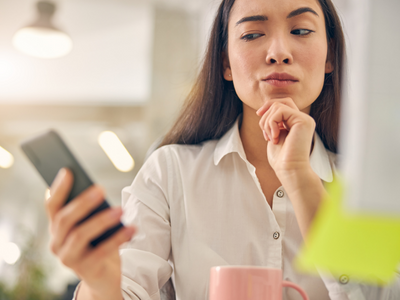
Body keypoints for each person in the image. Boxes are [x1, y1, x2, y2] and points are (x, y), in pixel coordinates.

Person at [45, 0, 400, 299]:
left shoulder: (371, 188)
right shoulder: (171, 173)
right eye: (253, 34)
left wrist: (299, 178)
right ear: (226, 64)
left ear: (330, 57)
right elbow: (127, 288)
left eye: (301, 31)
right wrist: (99, 280)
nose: (278, 52)